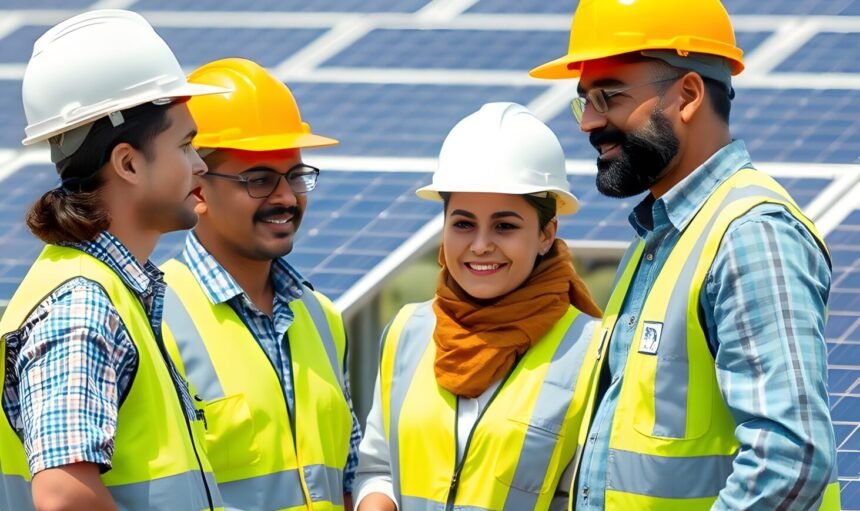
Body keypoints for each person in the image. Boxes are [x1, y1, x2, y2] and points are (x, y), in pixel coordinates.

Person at [528, 0, 840, 509]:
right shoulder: (660, 239)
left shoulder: (750, 235)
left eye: (608, 97)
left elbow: (790, 461)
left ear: (689, 95)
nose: (588, 123)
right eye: (583, 101)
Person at [0, 9, 229, 511]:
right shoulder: (83, 306)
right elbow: (63, 495)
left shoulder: (108, 292)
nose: (201, 165)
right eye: (186, 145)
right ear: (127, 162)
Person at [354, 102, 604, 511]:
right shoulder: (408, 332)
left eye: (505, 226)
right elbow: (379, 467)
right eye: (463, 223)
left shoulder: (592, 351)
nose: (480, 244)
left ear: (546, 234)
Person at [159, 57, 361, 511]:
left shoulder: (322, 317)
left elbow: (347, 478)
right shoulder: (153, 317)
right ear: (196, 189)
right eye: (259, 180)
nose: (286, 197)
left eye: (295, 176)